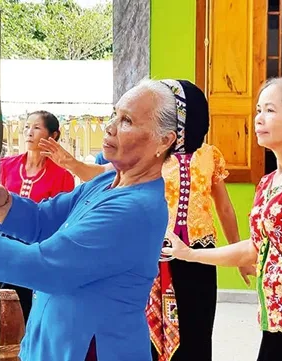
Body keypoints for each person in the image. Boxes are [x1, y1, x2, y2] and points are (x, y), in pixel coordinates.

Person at [0, 78, 188, 361]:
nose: (109, 127)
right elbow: (42, 220)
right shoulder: (109, 181)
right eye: (114, 114)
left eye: (127, 121)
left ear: (164, 140)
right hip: (54, 342)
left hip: (90, 349)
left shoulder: (136, 209)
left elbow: (45, 267)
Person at [39, 80, 254, 361]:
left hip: (199, 255)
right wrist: (71, 164)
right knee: (149, 335)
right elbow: (104, 174)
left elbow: (224, 207)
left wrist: (238, 254)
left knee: (197, 332)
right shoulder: (151, 153)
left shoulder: (209, 155)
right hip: (154, 254)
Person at [161, 76, 282, 361]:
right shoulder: (268, 183)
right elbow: (256, 248)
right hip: (275, 318)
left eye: (269, 110)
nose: (258, 119)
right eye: (257, 110)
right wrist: (190, 254)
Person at [0, 110, 75, 323]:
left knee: (32, 313)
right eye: (26, 127)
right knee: (3, 311)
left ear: (54, 136)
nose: (29, 132)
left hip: (38, 254)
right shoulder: (6, 166)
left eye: (36, 127)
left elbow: (61, 220)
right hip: (4, 250)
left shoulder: (63, 176)